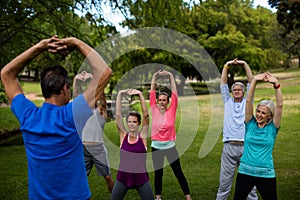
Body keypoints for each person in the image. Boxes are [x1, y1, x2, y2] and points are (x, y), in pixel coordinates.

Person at [0, 36, 112, 199]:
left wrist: (41, 46)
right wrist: (75, 42)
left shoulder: (28, 116)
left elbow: (6, 74)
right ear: (65, 88)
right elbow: (104, 71)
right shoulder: (71, 114)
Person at [233, 72, 283, 200]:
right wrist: (255, 80)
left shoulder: (272, 128)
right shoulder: (250, 123)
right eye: (258, 111)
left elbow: (279, 106)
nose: (259, 114)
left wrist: (276, 84)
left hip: (265, 173)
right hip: (245, 172)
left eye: (263, 113)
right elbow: (249, 100)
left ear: (270, 116)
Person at [217, 58, 257, 200]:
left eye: (239, 89)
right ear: (231, 92)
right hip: (229, 147)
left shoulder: (248, 102)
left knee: (250, 187)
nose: (237, 91)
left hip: (246, 147)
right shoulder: (227, 101)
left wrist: (244, 64)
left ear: (244, 91)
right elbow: (222, 83)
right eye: (234, 89)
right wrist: (226, 65)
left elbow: (252, 82)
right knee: (224, 184)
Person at [150, 70, 191, 200]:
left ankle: (188, 197)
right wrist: (155, 76)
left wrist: (171, 76)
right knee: (158, 174)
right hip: (156, 146)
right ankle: (158, 197)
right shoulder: (154, 109)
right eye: (160, 100)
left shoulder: (171, 110)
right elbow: (152, 91)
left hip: (170, 146)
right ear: (156, 101)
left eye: (164, 100)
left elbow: (174, 93)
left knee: (178, 173)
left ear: (168, 102)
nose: (161, 102)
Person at [73, 71, 114, 193]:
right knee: (80, 178)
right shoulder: (81, 111)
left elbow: (101, 96)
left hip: (98, 149)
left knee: (107, 177)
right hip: (83, 148)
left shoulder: (100, 111)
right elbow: (75, 97)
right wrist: (76, 79)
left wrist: (93, 79)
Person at [111, 88, 154, 200]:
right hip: (123, 178)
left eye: (134, 122)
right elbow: (118, 115)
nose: (131, 124)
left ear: (139, 123)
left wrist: (140, 94)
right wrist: (120, 93)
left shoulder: (142, 137)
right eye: (129, 121)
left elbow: (146, 116)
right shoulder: (123, 136)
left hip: (141, 178)